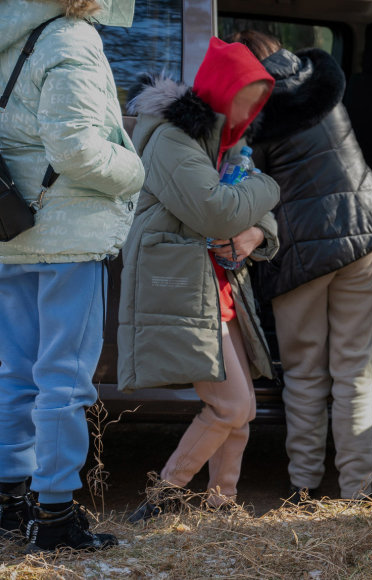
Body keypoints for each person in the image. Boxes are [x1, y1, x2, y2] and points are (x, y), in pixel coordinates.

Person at [228, 31, 372, 500]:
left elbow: (246, 189)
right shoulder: (324, 86)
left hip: (301, 249)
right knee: (353, 370)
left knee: (306, 371)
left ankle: (304, 487)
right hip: (363, 233)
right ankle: (357, 489)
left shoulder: (254, 111)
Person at [0, 0, 144, 552]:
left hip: (12, 226)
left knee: (15, 372)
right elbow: (77, 148)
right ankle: (55, 515)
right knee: (64, 379)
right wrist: (136, 171)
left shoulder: (11, 31)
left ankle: (11, 504)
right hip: (67, 231)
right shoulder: (70, 37)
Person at [118, 37, 280, 519]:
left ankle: (222, 504)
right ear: (219, 92)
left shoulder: (220, 143)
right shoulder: (173, 138)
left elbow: (244, 217)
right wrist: (267, 189)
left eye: (256, 103)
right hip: (183, 282)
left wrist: (255, 230)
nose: (247, 113)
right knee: (230, 405)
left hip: (213, 282)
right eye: (242, 99)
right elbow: (215, 212)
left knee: (243, 406)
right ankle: (164, 497)